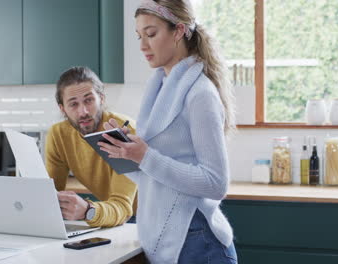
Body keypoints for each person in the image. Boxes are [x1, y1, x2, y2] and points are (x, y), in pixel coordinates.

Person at [98, 0, 238, 263]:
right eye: (139, 36)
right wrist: (127, 151)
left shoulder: (200, 94)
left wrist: (145, 156)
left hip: (199, 243)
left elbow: (216, 184)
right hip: (177, 239)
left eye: (151, 34)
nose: (142, 46)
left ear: (178, 31)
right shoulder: (160, 91)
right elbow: (155, 176)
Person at [45, 66, 137, 227]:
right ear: (62, 109)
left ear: (101, 98)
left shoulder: (124, 131)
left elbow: (123, 206)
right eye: (73, 104)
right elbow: (50, 194)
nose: (83, 112)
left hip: (148, 217)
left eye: (89, 100)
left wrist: (88, 210)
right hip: (111, 216)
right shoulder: (58, 135)